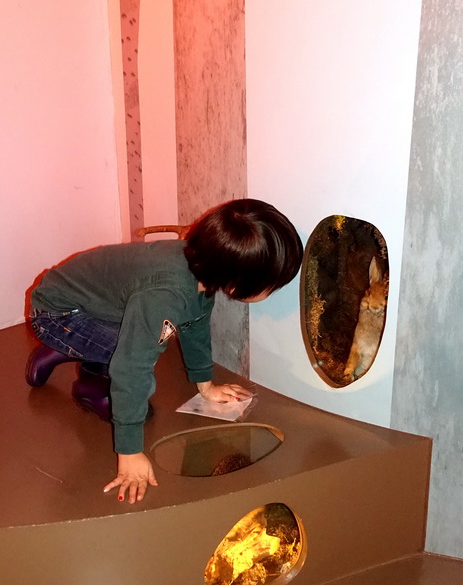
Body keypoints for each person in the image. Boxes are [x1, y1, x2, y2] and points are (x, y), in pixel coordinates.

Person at [25, 198, 303, 506]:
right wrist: (129, 452)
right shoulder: (166, 295)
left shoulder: (201, 269)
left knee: (143, 338)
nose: (274, 291)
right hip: (57, 315)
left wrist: (206, 384)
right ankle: (86, 382)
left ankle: (67, 347)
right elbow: (131, 366)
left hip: (91, 305)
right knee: (137, 370)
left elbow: (195, 322)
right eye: (272, 285)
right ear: (236, 284)